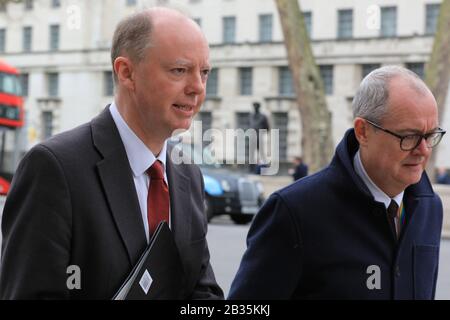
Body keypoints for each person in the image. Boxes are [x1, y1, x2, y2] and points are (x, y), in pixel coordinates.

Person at [0, 8, 223, 300]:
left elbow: (201, 291)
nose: (197, 88)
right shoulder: (53, 167)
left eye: (204, 72)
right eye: (179, 70)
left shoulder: (187, 173)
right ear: (126, 72)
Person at [228, 66, 446, 300]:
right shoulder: (294, 211)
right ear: (363, 131)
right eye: (409, 136)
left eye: (430, 135)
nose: (423, 151)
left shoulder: (430, 207)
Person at [249, 102, 270, 173]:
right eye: (254, 106)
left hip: (259, 136)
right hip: (252, 136)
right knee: (251, 153)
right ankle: (251, 169)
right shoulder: (251, 116)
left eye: (256, 106)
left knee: (262, 153)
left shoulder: (263, 116)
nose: (255, 108)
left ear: (259, 107)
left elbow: (267, 127)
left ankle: (264, 168)